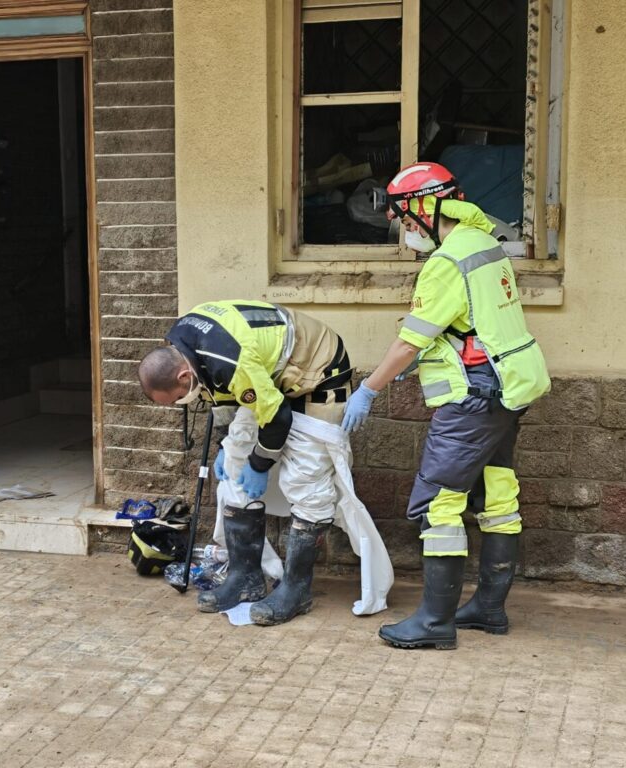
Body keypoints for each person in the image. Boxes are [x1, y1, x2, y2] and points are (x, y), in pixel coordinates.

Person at [342, 162, 551, 650]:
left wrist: (369, 388)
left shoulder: (446, 261)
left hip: (472, 399)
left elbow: (409, 342)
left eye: (405, 217)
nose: (405, 228)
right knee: (498, 496)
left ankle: (436, 622)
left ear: (425, 207)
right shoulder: (485, 245)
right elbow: (472, 325)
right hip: (506, 389)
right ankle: (490, 608)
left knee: (439, 503)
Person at [139, 300, 393, 624]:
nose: (181, 402)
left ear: (182, 373)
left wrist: (259, 466)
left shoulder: (227, 360)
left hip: (317, 368)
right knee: (233, 465)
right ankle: (246, 579)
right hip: (271, 371)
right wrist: (224, 445)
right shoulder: (183, 343)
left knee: (308, 481)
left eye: (177, 397)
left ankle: (296, 589)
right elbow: (219, 392)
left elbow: (277, 419)